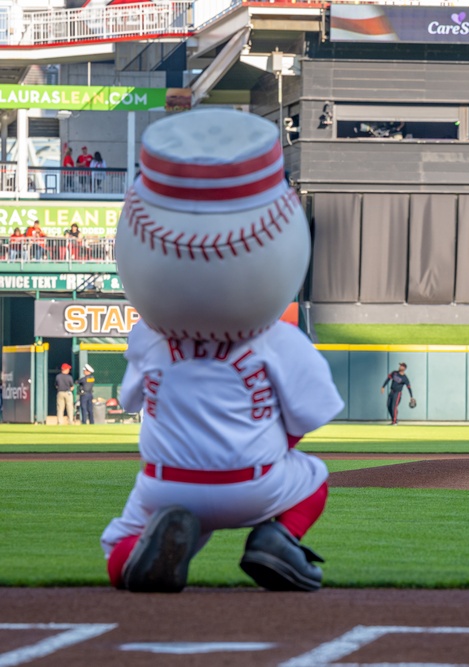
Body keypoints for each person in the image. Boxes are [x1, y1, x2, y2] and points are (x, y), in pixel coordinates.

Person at [100, 108, 344, 594]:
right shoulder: (279, 339)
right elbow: (308, 419)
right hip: (253, 483)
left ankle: (138, 559)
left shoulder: (148, 337)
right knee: (314, 476)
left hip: (164, 483)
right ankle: (274, 539)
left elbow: (132, 401)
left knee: (119, 544)